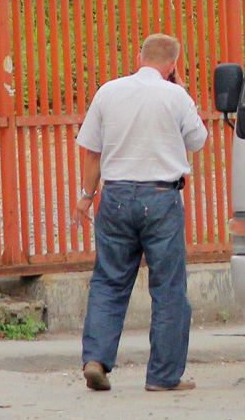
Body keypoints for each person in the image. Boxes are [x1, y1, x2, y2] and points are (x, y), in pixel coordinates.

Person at [74, 33, 208, 392]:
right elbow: (197, 141)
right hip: (161, 198)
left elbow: (92, 152)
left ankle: (96, 360)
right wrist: (182, 91)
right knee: (168, 289)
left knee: (108, 280)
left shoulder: (109, 91)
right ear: (173, 66)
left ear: (138, 57)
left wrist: (86, 196)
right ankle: (163, 377)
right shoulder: (176, 95)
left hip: (115, 198)